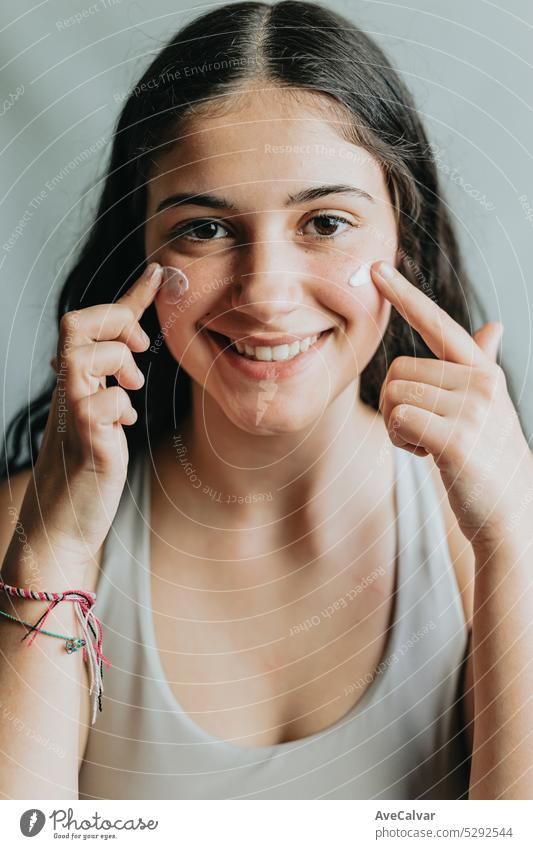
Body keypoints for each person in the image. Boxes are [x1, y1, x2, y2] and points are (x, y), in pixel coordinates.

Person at [1, 0, 532, 801]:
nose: (267, 295)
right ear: (136, 248)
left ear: (404, 240)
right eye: (206, 230)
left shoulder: (482, 536)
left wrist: (515, 539)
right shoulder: (26, 533)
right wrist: (56, 555)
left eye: (324, 221)